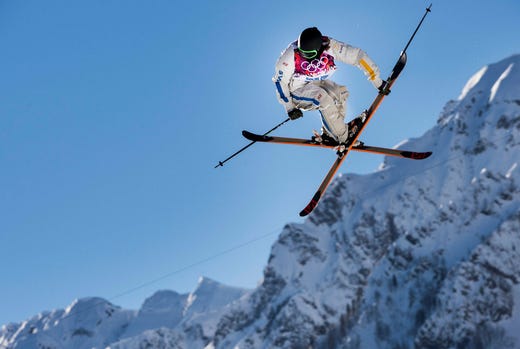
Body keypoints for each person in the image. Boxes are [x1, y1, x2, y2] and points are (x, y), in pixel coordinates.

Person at [273, 27, 386, 144]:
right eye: (301, 51)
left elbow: (358, 56)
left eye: (309, 54)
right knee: (322, 98)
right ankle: (343, 137)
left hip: (313, 83)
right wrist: (289, 107)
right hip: (295, 90)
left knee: (340, 93)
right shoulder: (290, 56)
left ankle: (332, 133)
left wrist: (377, 81)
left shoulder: (331, 47)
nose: (304, 55)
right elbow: (280, 81)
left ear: (319, 49)